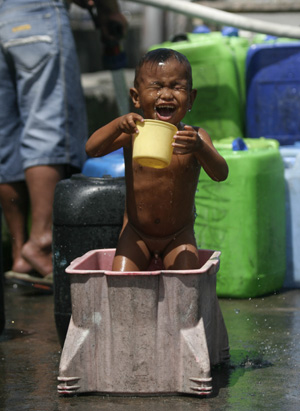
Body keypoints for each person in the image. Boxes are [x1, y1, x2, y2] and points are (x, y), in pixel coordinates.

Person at [0, 0, 127, 288]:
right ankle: (42, 243)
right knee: (47, 126)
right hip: (37, 13)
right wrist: (109, 11)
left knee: (6, 135)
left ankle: (20, 254)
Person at [85, 48, 229, 271]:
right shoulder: (133, 131)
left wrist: (200, 148)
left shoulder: (195, 137)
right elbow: (91, 149)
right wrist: (117, 125)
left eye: (177, 87)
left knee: (186, 285)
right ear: (136, 97)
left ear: (191, 98)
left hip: (178, 236)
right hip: (136, 233)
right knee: (121, 286)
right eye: (156, 86)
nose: (167, 94)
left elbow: (221, 174)